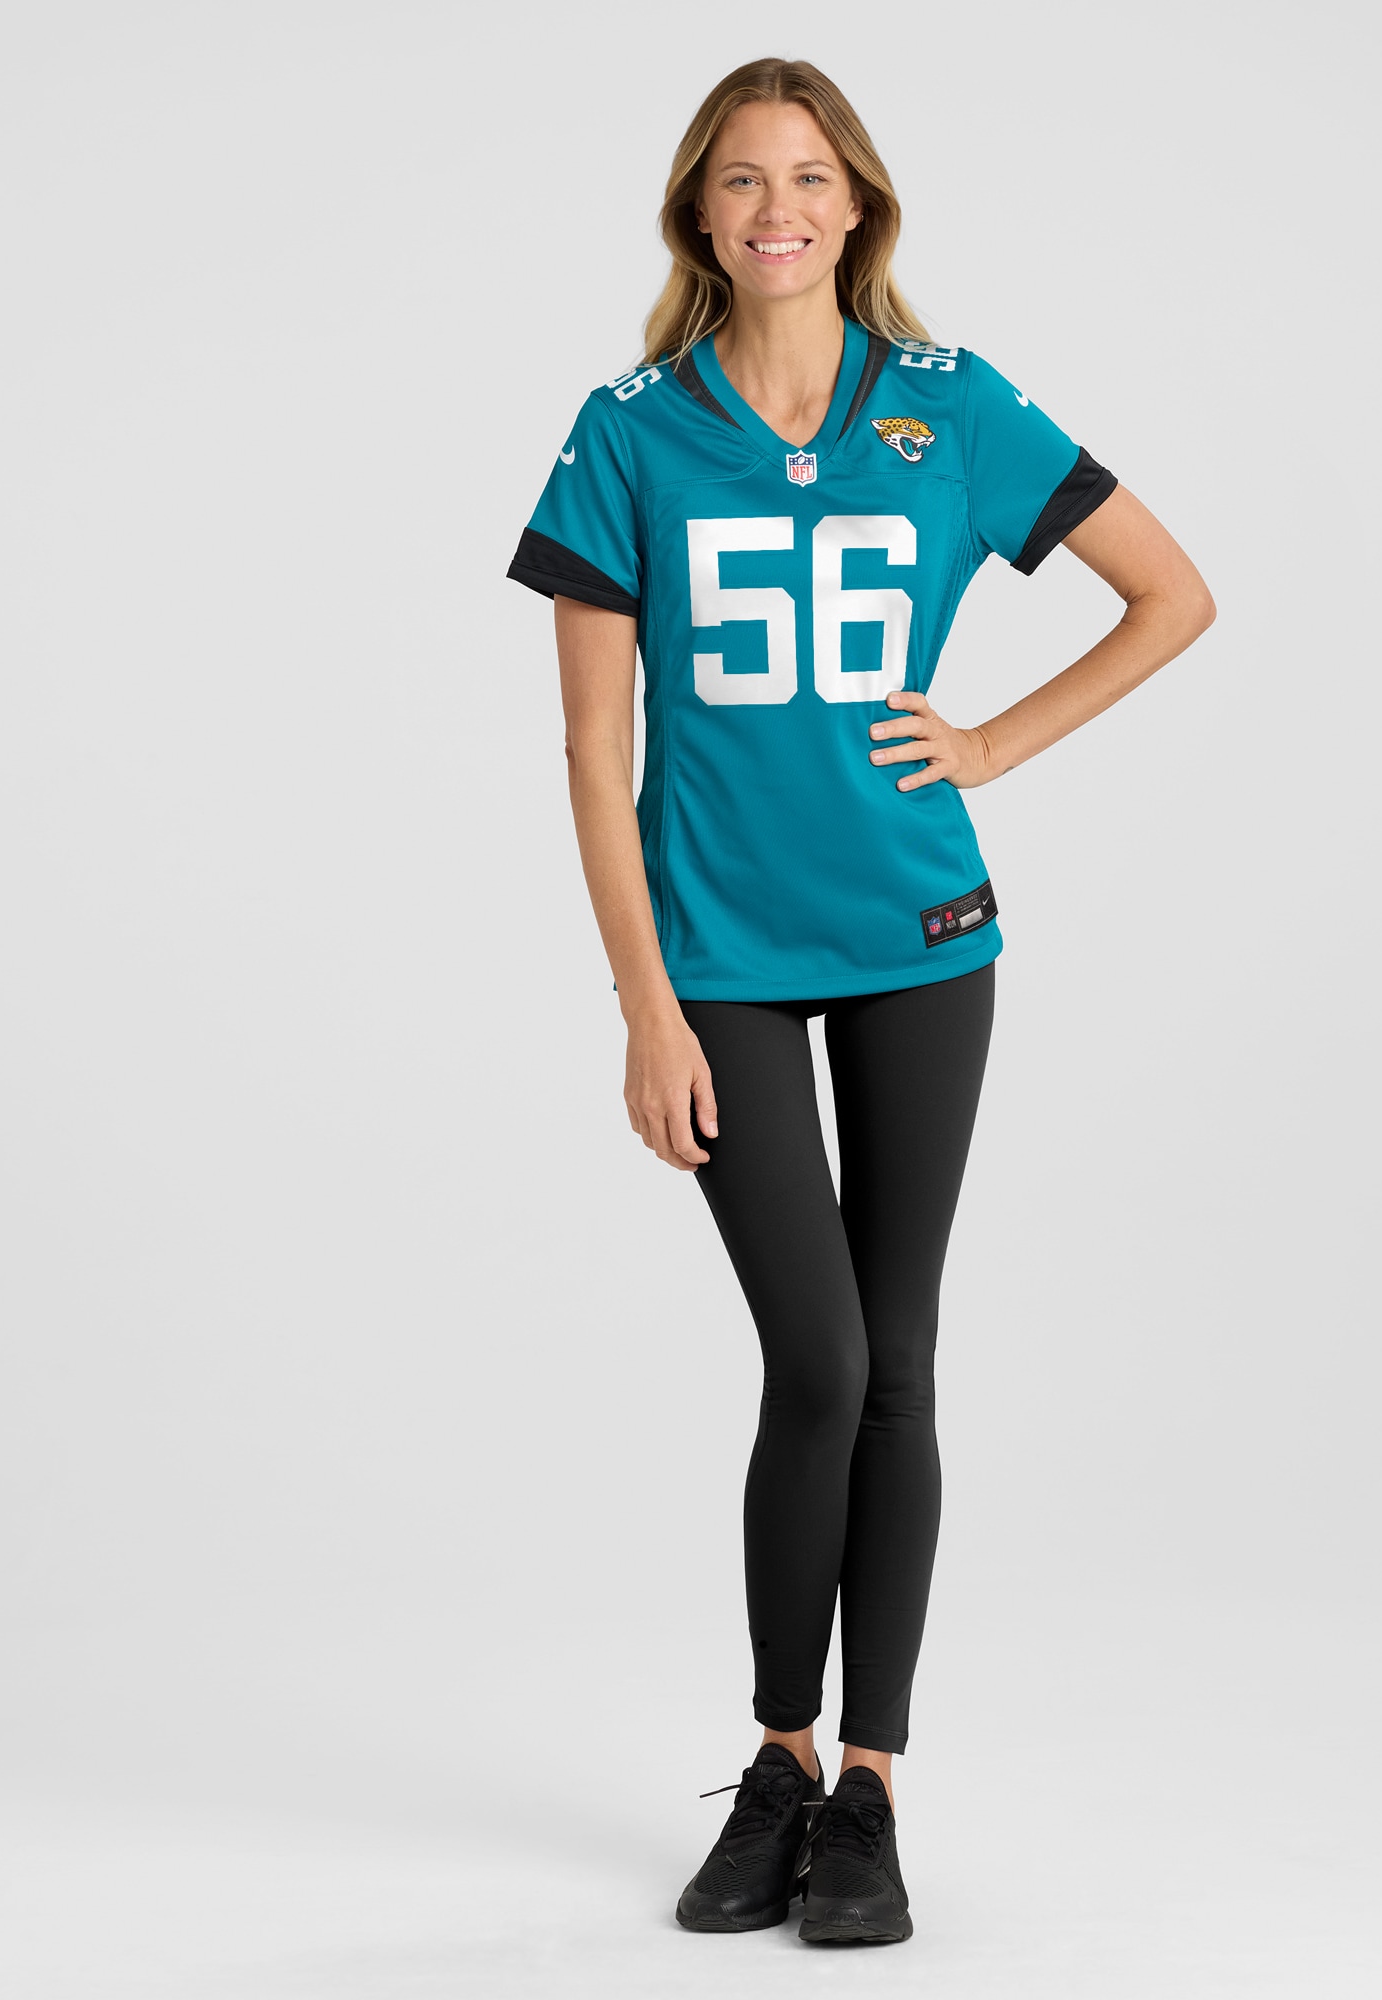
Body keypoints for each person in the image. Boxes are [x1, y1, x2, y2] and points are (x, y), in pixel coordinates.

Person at [508, 57, 1214, 1946]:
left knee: (895, 1361)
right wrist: (645, 1006)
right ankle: (777, 1757)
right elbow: (594, 753)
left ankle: (871, 1787)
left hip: (920, 938)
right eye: (743, 181)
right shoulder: (629, 431)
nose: (779, 211)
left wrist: (989, 742)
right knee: (813, 1361)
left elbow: (1171, 596)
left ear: (860, 204)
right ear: (699, 211)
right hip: (722, 958)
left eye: (810, 178)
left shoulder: (948, 406)